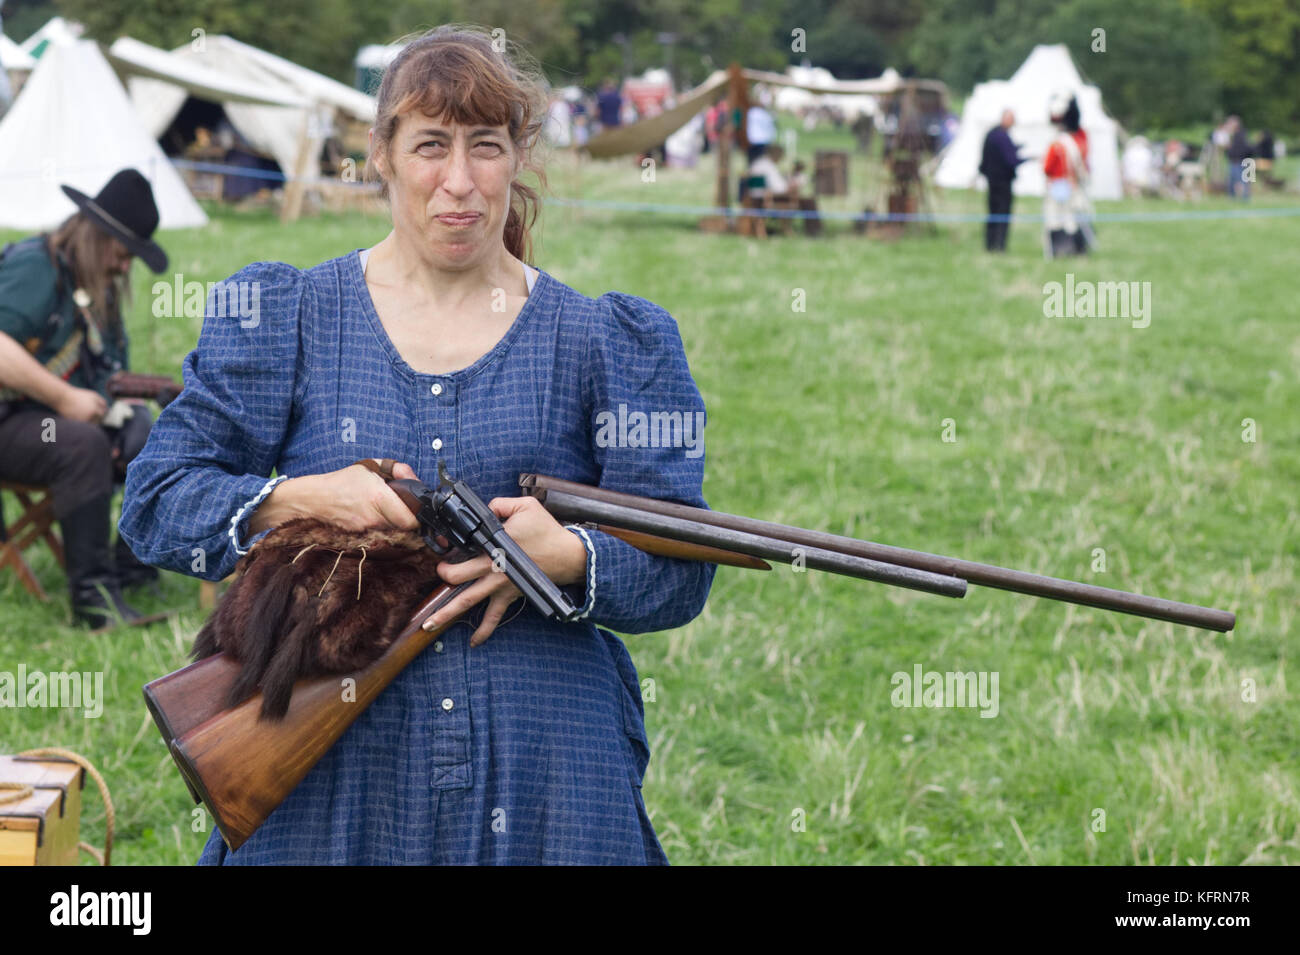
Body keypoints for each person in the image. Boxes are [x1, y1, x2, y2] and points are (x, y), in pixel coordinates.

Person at [119, 25, 716, 866]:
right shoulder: (286, 315)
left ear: (520, 156)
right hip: (332, 771)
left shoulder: (607, 339)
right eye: (431, 145)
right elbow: (154, 504)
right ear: (383, 156)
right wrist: (299, 498)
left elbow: (684, 567)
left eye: (487, 146)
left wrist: (574, 555)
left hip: (547, 769)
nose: (460, 182)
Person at [0, 168, 169, 630]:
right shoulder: (36, 267)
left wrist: (128, 407)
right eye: (121, 253)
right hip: (9, 419)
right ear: (98, 237)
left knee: (145, 433)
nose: (123, 266)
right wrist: (63, 397)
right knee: (80, 445)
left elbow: (108, 373)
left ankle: (132, 571)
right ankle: (94, 602)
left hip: (41, 420)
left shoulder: (97, 292)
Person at [1042, 92, 1093, 257]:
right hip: (1072, 183)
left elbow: (1047, 167)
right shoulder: (1075, 142)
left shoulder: (1057, 144)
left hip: (1058, 183)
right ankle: (1076, 248)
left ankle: (1060, 248)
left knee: (1056, 217)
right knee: (1071, 217)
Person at [978, 109, 1023, 252]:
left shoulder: (991, 134)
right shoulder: (1002, 136)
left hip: (992, 181)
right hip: (1003, 182)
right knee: (1002, 213)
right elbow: (1011, 160)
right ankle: (999, 245)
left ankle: (990, 244)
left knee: (992, 213)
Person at [1225, 116, 1252, 199]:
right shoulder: (1239, 134)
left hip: (1238, 160)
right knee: (1234, 181)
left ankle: (1244, 198)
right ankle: (1235, 197)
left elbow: (1238, 149)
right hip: (1238, 160)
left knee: (1240, 180)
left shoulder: (1238, 135)